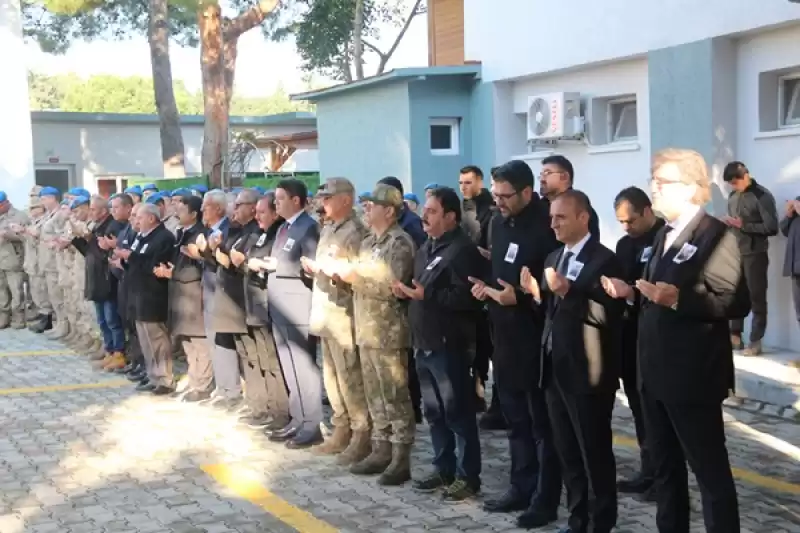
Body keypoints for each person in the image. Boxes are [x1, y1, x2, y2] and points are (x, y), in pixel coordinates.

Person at [609, 148, 749, 533]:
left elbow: (737, 300)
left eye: (663, 182)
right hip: (653, 374)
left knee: (709, 476)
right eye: (653, 180)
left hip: (692, 377)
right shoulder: (663, 236)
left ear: (691, 188)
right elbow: (657, 295)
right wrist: (633, 294)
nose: (654, 189)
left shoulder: (715, 235)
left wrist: (680, 299)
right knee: (666, 473)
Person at [524, 189, 625, 533]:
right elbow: (552, 314)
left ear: (583, 217)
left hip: (588, 371)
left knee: (593, 452)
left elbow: (610, 314)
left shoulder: (604, 260)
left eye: (561, 217)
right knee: (567, 452)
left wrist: (570, 292)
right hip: (554, 370)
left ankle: (601, 522)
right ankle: (577, 518)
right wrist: (538, 295)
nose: (553, 224)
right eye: (551, 218)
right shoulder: (553, 257)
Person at [469, 160, 561, 529]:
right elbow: (502, 277)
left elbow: (556, 292)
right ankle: (520, 486)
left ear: (527, 192)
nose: (499, 202)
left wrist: (521, 300)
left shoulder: (547, 226)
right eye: (495, 195)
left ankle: (545, 497)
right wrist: (487, 290)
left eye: (506, 196)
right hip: (504, 339)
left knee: (542, 427)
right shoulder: (499, 223)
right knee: (516, 423)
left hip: (537, 341)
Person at [401, 186, 484, 501]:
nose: (425, 215)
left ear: (450, 216)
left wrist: (428, 295)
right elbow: (420, 288)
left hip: (450, 345)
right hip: (424, 342)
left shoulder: (462, 251)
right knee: (434, 412)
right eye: (425, 209)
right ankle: (443, 467)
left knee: (458, 413)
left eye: (433, 211)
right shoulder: (426, 248)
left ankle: (468, 476)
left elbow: (467, 299)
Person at [331, 183, 416, 486]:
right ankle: (380, 448)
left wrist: (355, 279)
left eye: (371, 205)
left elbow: (394, 288)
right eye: (365, 205)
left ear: (389, 211)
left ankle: (401, 456)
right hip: (366, 328)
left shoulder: (399, 243)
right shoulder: (368, 242)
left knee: (395, 396)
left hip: (388, 331)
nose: (366, 209)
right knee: (374, 395)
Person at [303, 178, 371, 463]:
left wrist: (332, 271)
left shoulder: (356, 230)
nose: (322, 202)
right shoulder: (329, 227)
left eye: (328, 197)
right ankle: (340, 428)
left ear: (346, 200)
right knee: (331, 378)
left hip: (344, 314)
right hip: (325, 311)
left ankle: (361, 435)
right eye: (321, 197)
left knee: (350, 379)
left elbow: (360, 274)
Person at [251, 178, 323, 449]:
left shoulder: (308, 227)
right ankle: (298, 417)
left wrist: (278, 267)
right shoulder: (284, 228)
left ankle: (312, 423)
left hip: (298, 305)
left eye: (280, 198)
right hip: (280, 305)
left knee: (304, 367)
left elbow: (311, 267)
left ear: (296, 200)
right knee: (288, 366)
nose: (275, 202)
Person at [605, 186, 665, 500]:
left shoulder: (664, 239)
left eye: (630, 220)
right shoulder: (624, 245)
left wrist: (632, 292)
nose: (626, 227)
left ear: (646, 211)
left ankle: (663, 476)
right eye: (621, 222)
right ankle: (648, 469)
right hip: (630, 337)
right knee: (638, 407)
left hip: (657, 338)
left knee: (657, 411)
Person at [231, 192, 290, 429]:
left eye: (262, 212)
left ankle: (280, 411)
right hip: (253, 304)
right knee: (260, 359)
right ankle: (264, 406)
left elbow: (276, 265)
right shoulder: (259, 234)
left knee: (273, 361)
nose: (257, 216)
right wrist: (246, 263)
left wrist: (258, 265)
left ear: (275, 213)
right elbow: (248, 259)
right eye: (255, 211)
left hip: (268, 305)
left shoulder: (277, 235)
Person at [208, 188, 261, 409]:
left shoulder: (254, 231)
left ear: (253, 207)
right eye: (235, 205)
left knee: (251, 354)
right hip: (228, 294)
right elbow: (226, 257)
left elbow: (241, 260)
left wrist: (226, 255)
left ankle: (253, 397)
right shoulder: (235, 229)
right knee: (231, 345)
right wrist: (215, 250)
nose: (235, 209)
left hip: (243, 299)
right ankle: (235, 391)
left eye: (239, 205)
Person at [156, 195, 213, 402]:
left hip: (193, 295)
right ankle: (195, 379)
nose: (177, 214)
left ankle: (203, 383)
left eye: (182, 211)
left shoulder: (200, 235)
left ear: (194, 214)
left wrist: (174, 274)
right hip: (180, 295)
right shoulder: (182, 233)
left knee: (199, 342)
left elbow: (199, 269)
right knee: (188, 342)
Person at [722, 161, 778, 356]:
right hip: (735, 252)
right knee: (736, 294)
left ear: (745, 176)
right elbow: (734, 224)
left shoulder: (762, 196)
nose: (733, 188)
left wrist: (743, 225)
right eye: (731, 185)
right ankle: (735, 334)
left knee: (757, 297)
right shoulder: (732, 197)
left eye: (735, 183)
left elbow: (772, 227)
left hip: (755, 254)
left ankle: (756, 340)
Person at [123, 203, 177, 394]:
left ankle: (164, 379)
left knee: (157, 339)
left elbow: (154, 265)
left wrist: (131, 257)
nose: (136, 221)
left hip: (154, 295)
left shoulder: (163, 238)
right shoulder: (141, 236)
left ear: (151, 218)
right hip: (138, 293)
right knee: (145, 339)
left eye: (139, 217)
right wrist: (125, 258)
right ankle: (152, 375)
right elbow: (135, 261)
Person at [71, 195, 126, 369]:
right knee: (102, 319)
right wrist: (80, 239)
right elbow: (89, 253)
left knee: (112, 319)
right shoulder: (97, 226)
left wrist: (92, 240)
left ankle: (119, 352)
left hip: (107, 278)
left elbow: (104, 254)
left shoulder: (112, 226)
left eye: (93, 209)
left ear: (103, 211)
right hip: (96, 277)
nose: (91, 212)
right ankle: (109, 350)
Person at [539, 155, 600, 239]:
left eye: (547, 173)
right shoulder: (538, 207)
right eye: (541, 175)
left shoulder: (581, 209)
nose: (542, 179)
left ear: (565, 177)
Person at [0, 192, 31, 329]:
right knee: (1, 290)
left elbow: (27, 237)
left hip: (13, 259)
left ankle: (18, 316)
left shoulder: (19, 216)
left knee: (16, 289)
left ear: (6, 202)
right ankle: (4, 315)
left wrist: (8, 234)